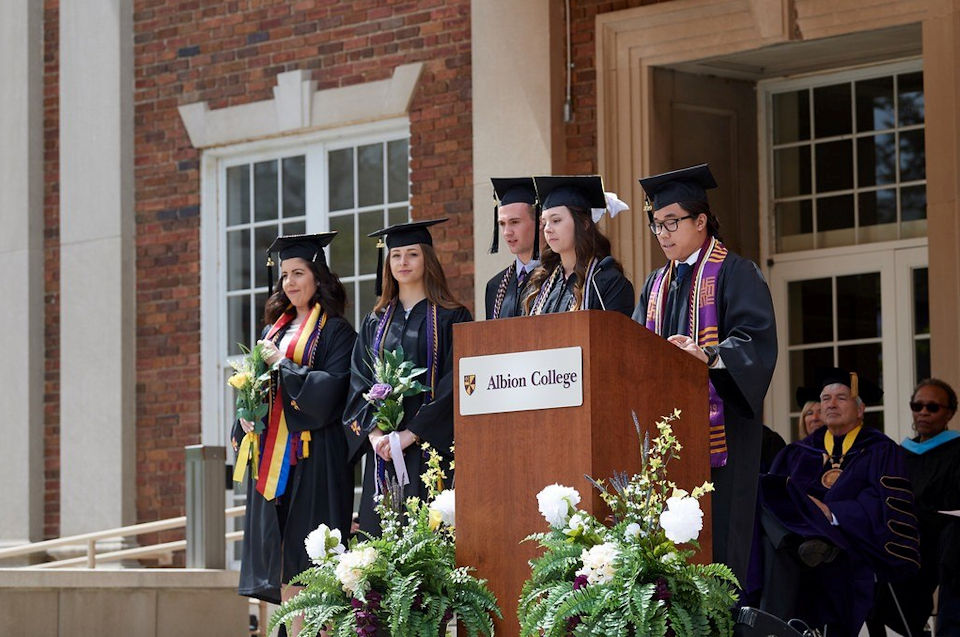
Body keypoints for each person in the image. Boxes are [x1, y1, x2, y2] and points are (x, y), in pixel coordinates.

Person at [631, 163, 777, 585]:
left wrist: (709, 356)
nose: (663, 233)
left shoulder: (735, 272)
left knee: (717, 546)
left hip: (722, 436)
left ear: (700, 221)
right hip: (665, 437)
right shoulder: (654, 285)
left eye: (672, 222)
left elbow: (756, 340)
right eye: (656, 224)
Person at [232, 233, 357, 635]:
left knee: (313, 560)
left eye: (298, 273)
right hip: (271, 463)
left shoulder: (337, 333)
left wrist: (284, 364)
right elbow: (254, 386)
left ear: (317, 278)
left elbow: (331, 389)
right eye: (284, 275)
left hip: (314, 457)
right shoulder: (273, 331)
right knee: (283, 557)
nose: (289, 282)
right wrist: (245, 419)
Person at [758, 368, 920, 637]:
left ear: (860, 409)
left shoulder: (881, 450)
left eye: (841, 398)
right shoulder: (798, 452)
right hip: (795, 545)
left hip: (852, 543)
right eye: (825, 398)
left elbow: (885, 504)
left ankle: (821, 539)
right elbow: (776, 496)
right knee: (765, 495)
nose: (831, 404)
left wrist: (832, 513)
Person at [342, 219, 472, 535]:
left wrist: (412, 433)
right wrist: (375, 437)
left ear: (427, 259)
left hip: (430, 448)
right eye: (396, 255)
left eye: (412, 254)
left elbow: (455, 382)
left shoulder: (452, 316)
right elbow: (358, 380)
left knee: (430, 540)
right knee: (382, 545)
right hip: (383, 452)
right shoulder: (374, 322)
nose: (403, 262)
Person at [869, 378, 960, 636]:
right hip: (909, 540)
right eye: (917, 405)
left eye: (932, 407)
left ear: (950, 412)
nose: (923, 412)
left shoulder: (956, 448)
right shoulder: (900, 453)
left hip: (946, 539)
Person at [522, 175, 634, 316]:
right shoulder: (541, 283)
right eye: (544, 223)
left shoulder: (607, 282)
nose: (547, 229)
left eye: (556, 220)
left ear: (584, 224)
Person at [485, 177, 540, 320]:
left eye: (515, 222)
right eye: (502, 224)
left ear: (540, 221)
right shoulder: (495, 286)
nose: (507, 232)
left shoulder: (559, 277)